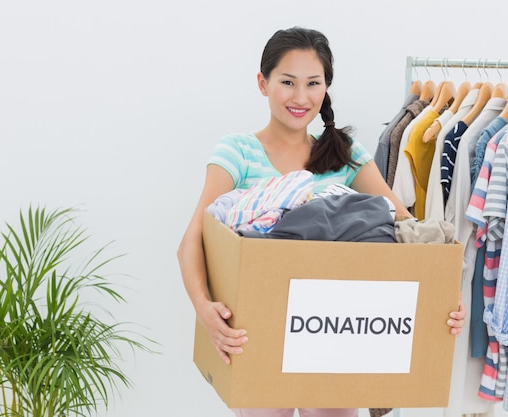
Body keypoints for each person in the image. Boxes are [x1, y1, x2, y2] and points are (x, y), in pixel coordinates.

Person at [177, 26, 466, 417]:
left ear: (326, 87)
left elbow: (408, 232)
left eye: (314, 83)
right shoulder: (239, 151)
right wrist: (204, 308)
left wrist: (442, 299)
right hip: (260, 329)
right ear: (263, 84)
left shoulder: (343, 153)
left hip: (334, 329)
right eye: (287, 82)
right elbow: (192, 239)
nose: (301, 97)